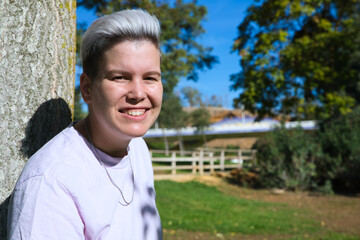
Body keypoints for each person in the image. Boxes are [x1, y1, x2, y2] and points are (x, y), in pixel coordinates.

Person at [7, 9, 163, 240]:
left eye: (150, 77)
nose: (138, 93)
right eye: (120, 77)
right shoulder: (51, 184)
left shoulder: (138, 149)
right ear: (88, 89)